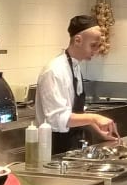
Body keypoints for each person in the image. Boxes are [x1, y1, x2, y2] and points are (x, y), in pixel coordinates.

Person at [34, 15, 119, 155]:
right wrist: (95, 118)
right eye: (93, 45)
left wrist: (100, 132)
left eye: (98, 46)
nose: (96, 50)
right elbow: (57, 119)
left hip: (71, 147)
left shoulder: (75, 67)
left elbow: (76, 112)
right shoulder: (54, 71)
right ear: (78, 40)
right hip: (52, 150)